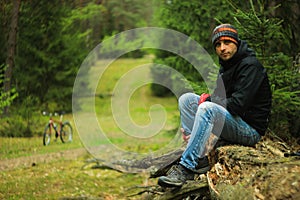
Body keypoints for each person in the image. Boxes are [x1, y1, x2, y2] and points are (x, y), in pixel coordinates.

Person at [158, 24, 272, 187]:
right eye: (218, 44)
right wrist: (209, 101)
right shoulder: (226, 67)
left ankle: (186, 168)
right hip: (233, 122)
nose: (222, 48)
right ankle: (199, 156)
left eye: (227, 42)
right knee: (187, 99)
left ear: (236, 43)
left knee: (206, 108)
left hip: (250, 130)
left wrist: (209, 100)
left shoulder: (251, 66)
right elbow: (220, 98)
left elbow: (237, 105)